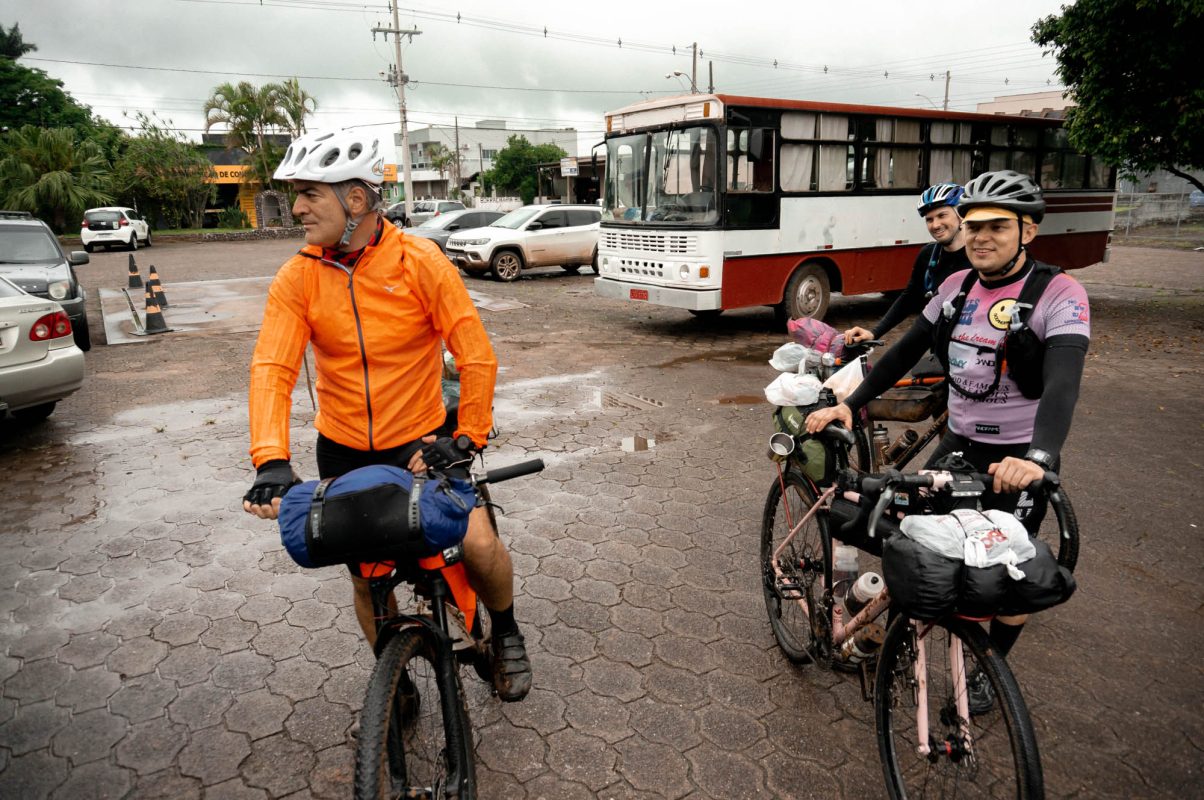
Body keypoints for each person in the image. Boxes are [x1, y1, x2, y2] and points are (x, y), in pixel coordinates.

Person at [241, 129, 532, 702]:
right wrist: (271, 458)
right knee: (365, 576)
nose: (296, 208)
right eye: (296, 195)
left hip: (424, 442)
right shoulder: (297, 277)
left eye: (309, 194)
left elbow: (473, 352)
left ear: (355, 200)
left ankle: (508, 627)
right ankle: (392, 679)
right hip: (344, 448)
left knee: (477, 543)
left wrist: (467, 435)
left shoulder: (419, 260)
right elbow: (272, 368)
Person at [806, 169, 1090, 711]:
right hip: (958, 448)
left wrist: (1039, 457)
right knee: (914, 544)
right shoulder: (955, 288)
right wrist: (852, 400)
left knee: (1011, 576)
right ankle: (881, 632)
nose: (981, 237)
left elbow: (1063, 384)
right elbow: (904, 351)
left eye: (998, 227)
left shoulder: (1059, 293)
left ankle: (988, 666)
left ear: (1028, 231)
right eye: (973, 225)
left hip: (1017, 459)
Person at [844, 183, 971, 344]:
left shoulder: (980, 257)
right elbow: (909, 298)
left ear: (961, 215)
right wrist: (874, 332)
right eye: (929, 219)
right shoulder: (928, 255)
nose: (935, 225)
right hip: (940, 348)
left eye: (942, 215)